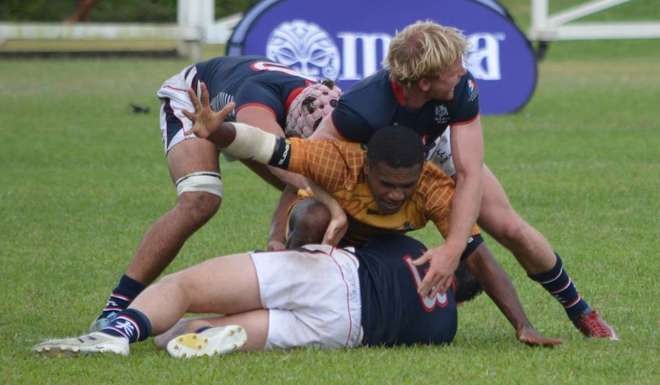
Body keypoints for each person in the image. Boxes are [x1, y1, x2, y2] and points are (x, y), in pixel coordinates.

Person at [305, 20, 617, 340]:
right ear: (425, 82)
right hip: (381, 166)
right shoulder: (361, 109)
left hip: (436, 149)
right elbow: (302, 158)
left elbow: (469, 172)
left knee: (510, 227)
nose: (462, 71)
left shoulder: (461, 88)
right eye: (454, 66)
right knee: (328, 221)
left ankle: (580, 310)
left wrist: (454, 246)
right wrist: (325, 209)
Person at [179, 95, 560, 347]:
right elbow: (268, 147)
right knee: (314, 215)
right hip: (330, 237)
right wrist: (219, 132)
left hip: (360, 263)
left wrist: (523, 324)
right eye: (387, 184)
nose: (396, 194)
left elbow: (478, 256)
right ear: (368, 165)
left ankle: (246, 314)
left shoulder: (433, 190)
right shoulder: (337, 159)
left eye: (405, 186)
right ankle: (273, 289)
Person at [90, 55, 343, 331]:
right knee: (201, 199)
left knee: (310, 186)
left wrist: (277, 238)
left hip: (244, 111)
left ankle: (290, 283)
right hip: (196, 103)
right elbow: (286, 165)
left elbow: (301, 175)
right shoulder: (256, 104)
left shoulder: (327, 102)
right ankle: (117, 304)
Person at [34, 234, 459, 357]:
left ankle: (118, 334)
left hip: (332, 277)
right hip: (344, 331)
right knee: (178, 335)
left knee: (184, 286)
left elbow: (350, 234)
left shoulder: (415, 250)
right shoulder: (445, 327)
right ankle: (209, 333)